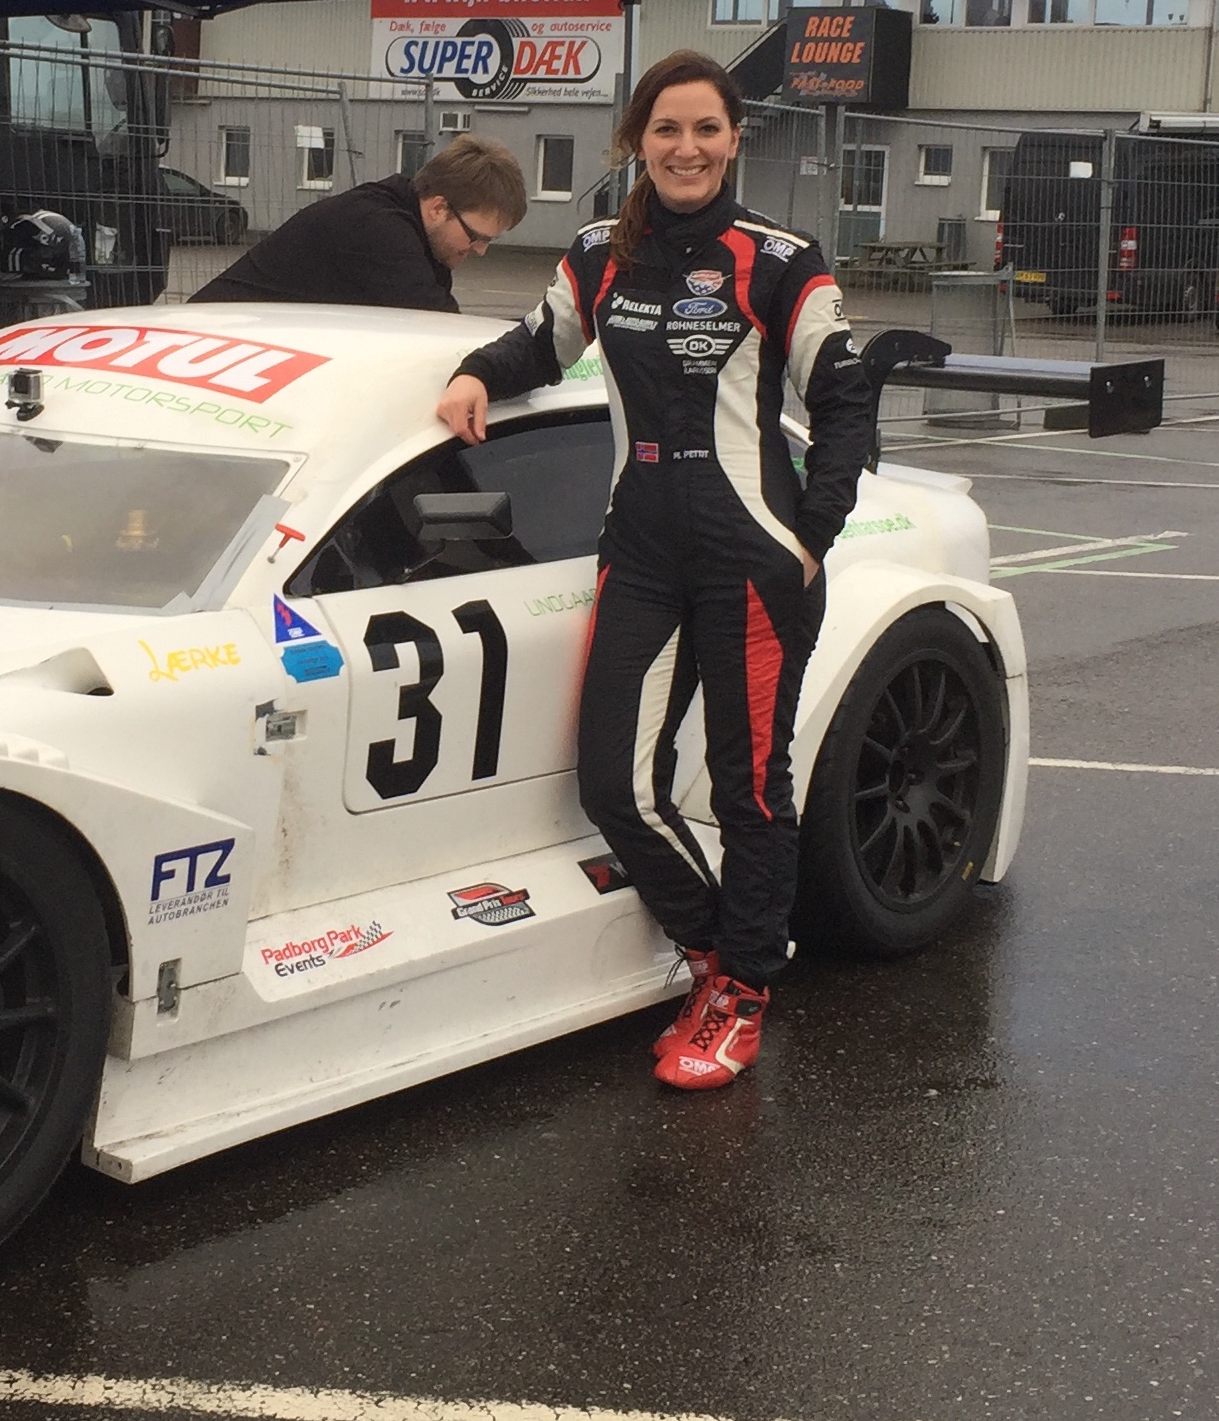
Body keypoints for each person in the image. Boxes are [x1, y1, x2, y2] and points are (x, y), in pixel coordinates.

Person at [435, 52, 872, 1090]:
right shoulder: (600, 252)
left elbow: (846, 399)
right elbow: (540, 345)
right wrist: (472, 373)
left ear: (734, 139)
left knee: (748, 786)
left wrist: (811, 534)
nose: (686, 149)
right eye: (666, 130)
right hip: (638, 553)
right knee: (614, 784)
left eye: (706, 129)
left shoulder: (781, 259)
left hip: (752, 556)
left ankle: (743, 990)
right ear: (637, 140)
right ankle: (721, 948)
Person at [189, 135, 528, 311]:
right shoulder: (380, 229)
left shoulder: (418, 231)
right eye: (475, 236)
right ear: (439, 208)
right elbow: (439, 327)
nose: (480, 250)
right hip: (209, 344)